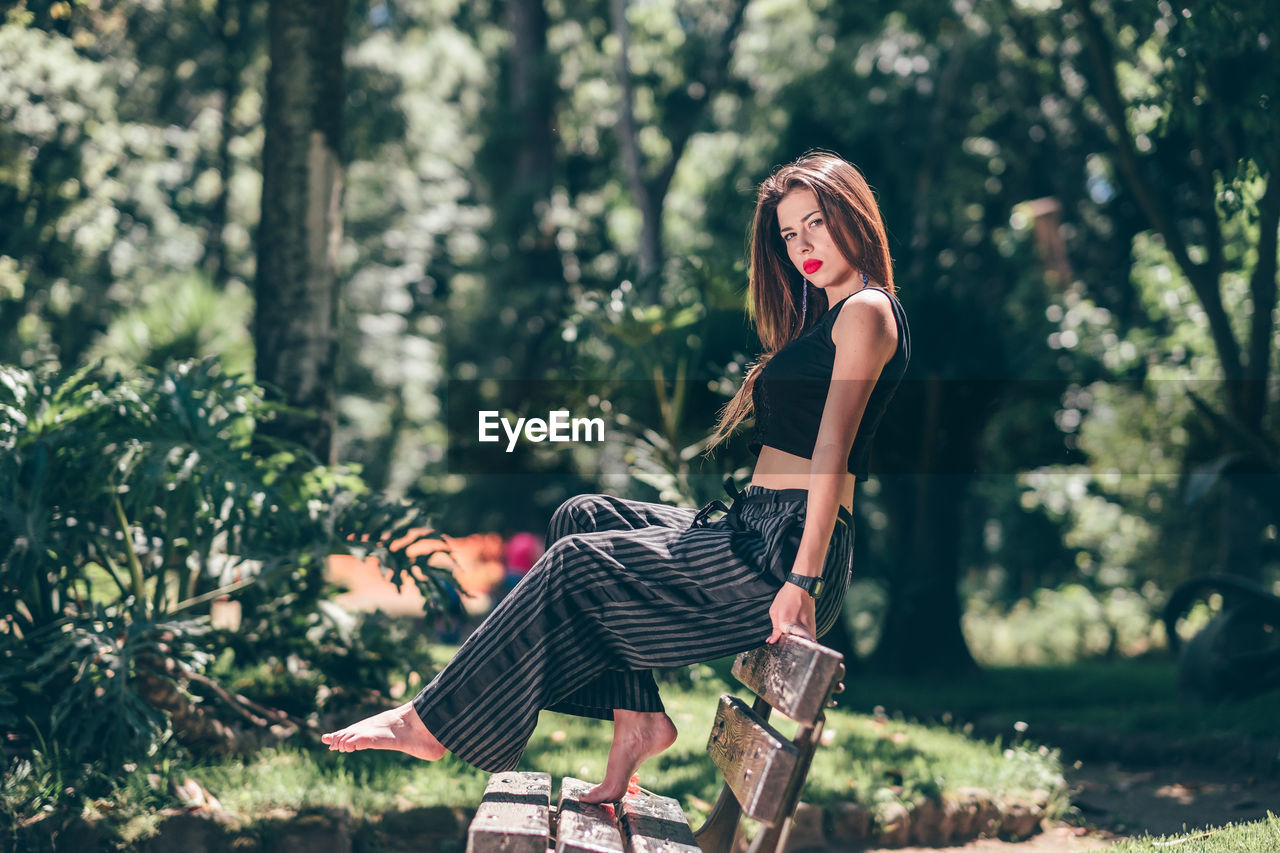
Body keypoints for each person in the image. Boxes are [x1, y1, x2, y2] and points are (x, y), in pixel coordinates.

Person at [320, 151, 911, 805]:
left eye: (816, 223)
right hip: (759, 525)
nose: (802, 245)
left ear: (853, 215)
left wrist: (801, 578)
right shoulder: (828, 318)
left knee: (576, 561)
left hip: (787, 554)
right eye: (789, 233)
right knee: (585, 515)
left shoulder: (865, 311)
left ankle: (428, 720)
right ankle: (638, 721)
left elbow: (833, 451)